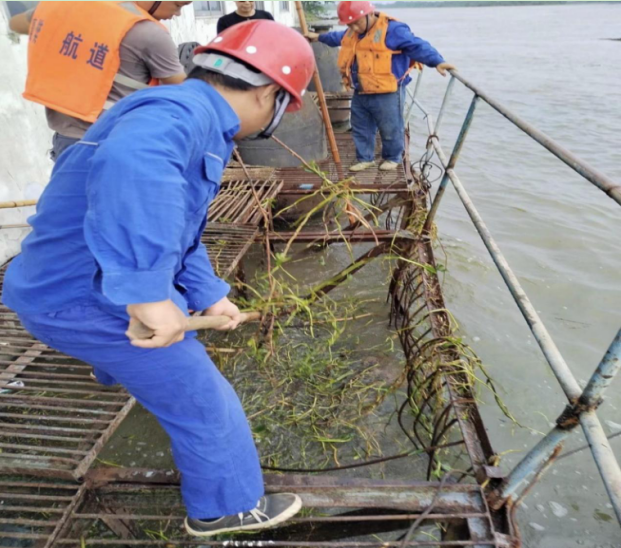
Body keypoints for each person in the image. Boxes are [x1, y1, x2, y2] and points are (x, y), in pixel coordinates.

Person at [2, 20, 315, 538]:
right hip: (80, 296)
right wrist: (148, 295)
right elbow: (134, 165)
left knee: (143, 340)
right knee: (206, 403)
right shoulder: (181, 117)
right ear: (267, 95)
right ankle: (225, 510)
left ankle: (113, 366)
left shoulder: (180, 111)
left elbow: (178, 229)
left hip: (51, 281)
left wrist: (210, 297)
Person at [9, 1, 191, 161]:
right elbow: (185, 93)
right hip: (115, 143)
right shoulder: (148, 32)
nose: (177, 14)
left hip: (67, 141)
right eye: (178, 5)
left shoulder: (64, 8)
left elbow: (15, 23)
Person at [306, 1, 455, 172]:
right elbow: (338, 37)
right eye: (350, 24)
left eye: (357, 23)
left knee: (390, 126)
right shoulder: (353, 32)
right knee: (360, 125)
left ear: (370, 15)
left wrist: (437, 61)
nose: (353, 28)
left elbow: (417, 46)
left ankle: (392, 157)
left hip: (387, 92)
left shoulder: (393, 30)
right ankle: (365, 158)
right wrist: (317, 37)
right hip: (361, 90)